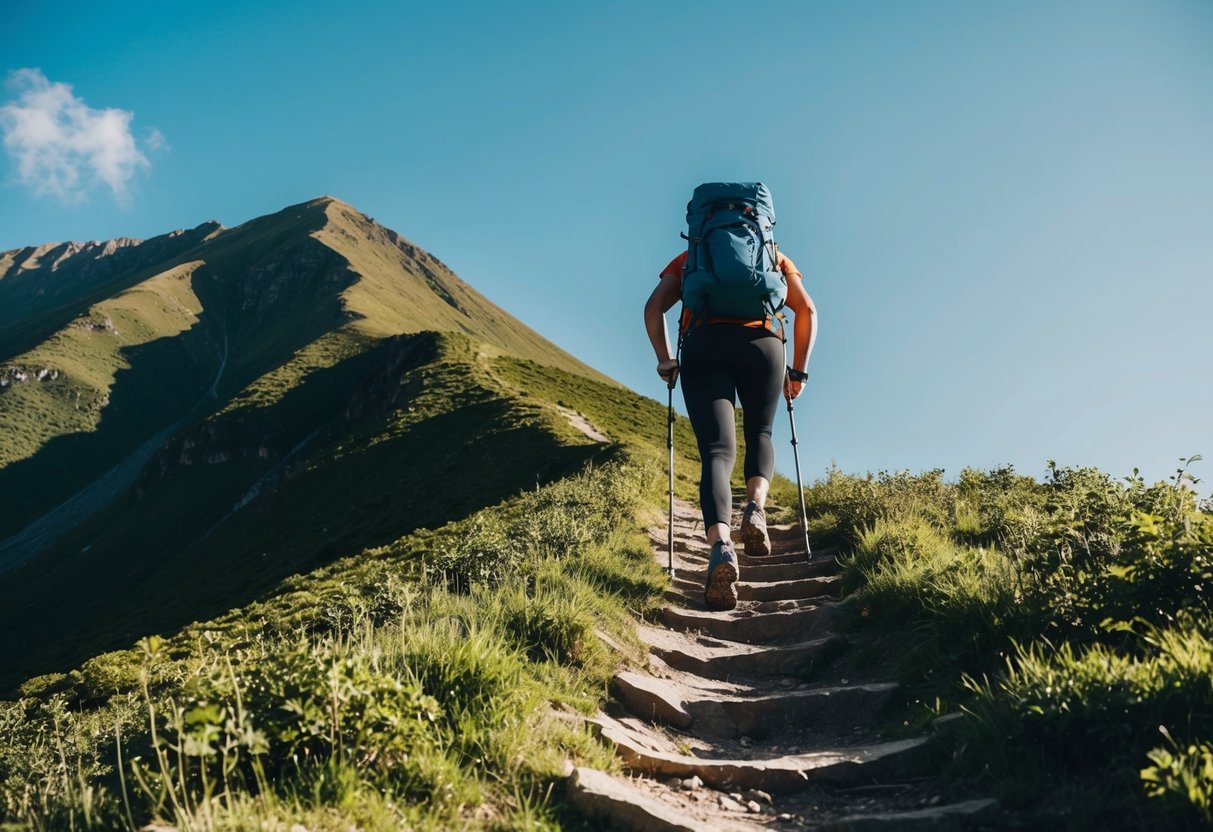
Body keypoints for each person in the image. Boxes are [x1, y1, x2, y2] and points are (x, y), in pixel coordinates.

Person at [643, 244, 817, 610]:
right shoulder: (775, 258)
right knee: (760, 433)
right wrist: (798, 371)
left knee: (716, 451)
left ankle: (721, 545)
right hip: (764, 343)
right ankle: (755, 507)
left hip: (704, 343)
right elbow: (807, 310)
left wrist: (664, 360)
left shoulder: (691, 258)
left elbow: (653, 307)